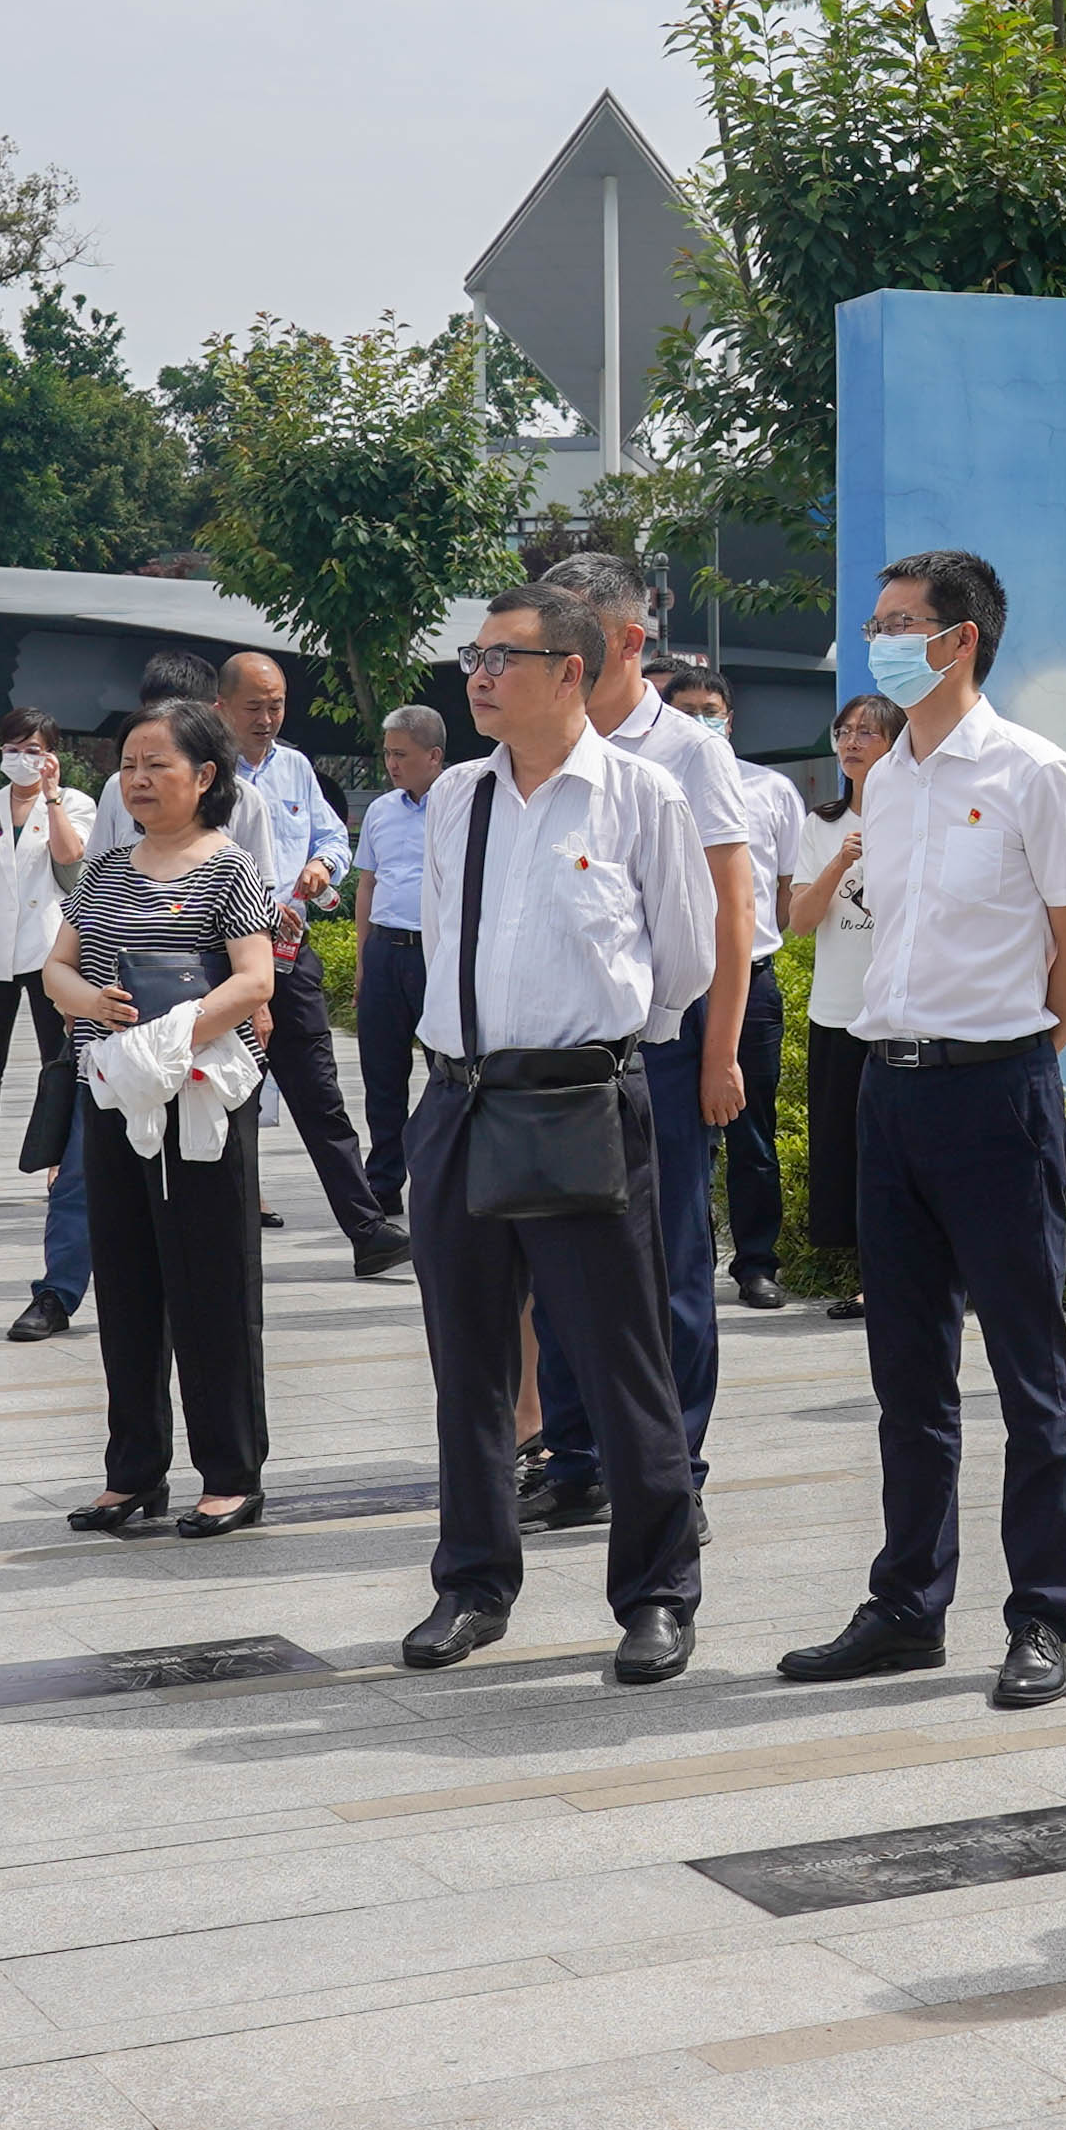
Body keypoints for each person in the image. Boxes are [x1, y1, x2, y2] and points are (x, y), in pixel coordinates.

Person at [777, 548, 1066, 1707]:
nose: (877, 637)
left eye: (898, 621)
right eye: (875, 619)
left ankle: (1040, 1616)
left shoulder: (1035, 773)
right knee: (906, 1372)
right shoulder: (890, 779)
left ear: (958, 636)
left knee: (1030, 1373)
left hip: (996, 1092)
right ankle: (908, 1605)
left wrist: (1016, 1068)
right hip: (889, 1089)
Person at [393, 578, 719, 1682]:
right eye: (474, 655)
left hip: (582, 1103)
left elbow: (682, 963)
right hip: (459, 1099)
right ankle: (473, 1582)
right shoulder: (455, 799)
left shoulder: (639, 797)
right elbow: (446, 941)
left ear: (571, 670)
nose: (479, 675)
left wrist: (601, 1057)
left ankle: (657, 1592)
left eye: (504, 657)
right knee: (466, 1359)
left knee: (619, 1358)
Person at [545, 548, 781, 1514]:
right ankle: (575, 1459)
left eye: (566, 639)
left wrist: (721, 1050)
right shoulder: (540, 739)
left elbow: (734, 912)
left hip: (671, 1044)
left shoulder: (689, 749)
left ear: (627, 639)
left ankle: (675, 1469)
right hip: (562, 1051)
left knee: (671, 1257)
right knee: (561, 1260)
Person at [87, 650, 409, 1278]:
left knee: (318, 1094)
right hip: (183, 979)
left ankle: (365, 1227)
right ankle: (98, 1264)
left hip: (278, 964)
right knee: (195, 1099)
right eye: (254, 706)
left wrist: (321, 871)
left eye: (277, 705)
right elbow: (99, 893)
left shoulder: (289, 773)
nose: (267, 718)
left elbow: (307, 847)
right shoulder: (132, 790)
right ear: (219, 708)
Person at [46, 697, 286, 1536]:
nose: (139, 779)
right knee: (128, 1280)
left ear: (205, 775)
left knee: (213, 1285)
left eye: (158, 764)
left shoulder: (230, 869)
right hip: (113, 1095)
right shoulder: (107, 869)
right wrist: (90, 1002)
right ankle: (134, 1471)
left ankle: (231, 1471)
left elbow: (255, 981)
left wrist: (173, 1035)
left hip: (198, 1101)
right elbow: (59, 969)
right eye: (130, 764)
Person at [658, 654, 795, 1312]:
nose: (701, 723)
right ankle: (686, 1260)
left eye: (711, 713)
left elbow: (781, 895)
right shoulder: (649, 785)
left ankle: (757, 1262)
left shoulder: (770, 791)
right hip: (675, 989)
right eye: (686, 713)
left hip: (750, 984)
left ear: (731, 719)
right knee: (679, 1133)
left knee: (752, 1133)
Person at [782, 689, 902, 1323]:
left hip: (902, 1014)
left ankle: (910, 1276)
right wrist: (841, 859)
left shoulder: (918, 817)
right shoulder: (819, 825)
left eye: (868, 732)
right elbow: (799, 921)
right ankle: (868, 1276)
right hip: (837, 1011)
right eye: (845, 732)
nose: (853, 743)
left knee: (899, 1151)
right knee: (846, 1149)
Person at [0, 721, 85, 1217]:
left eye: (31, 749)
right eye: (11, 748)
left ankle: (56, 1163)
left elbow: (72, 861)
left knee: (57, 1060)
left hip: (47, 946)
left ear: (51, 755)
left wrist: (51, 797)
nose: (19, 757)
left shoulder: (74, 803)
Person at [354, 701, 447, 1190]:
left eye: (402, 755)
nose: (392, 764)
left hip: (436, 954)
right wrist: (363, 958)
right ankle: (383, 1182)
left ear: (433, 756)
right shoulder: (381, 810)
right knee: (382, 1072)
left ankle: (434, 1169)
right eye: (388, 754)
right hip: (386, 951)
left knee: (444, 1071)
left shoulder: (460, 803)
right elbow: (368, 884)